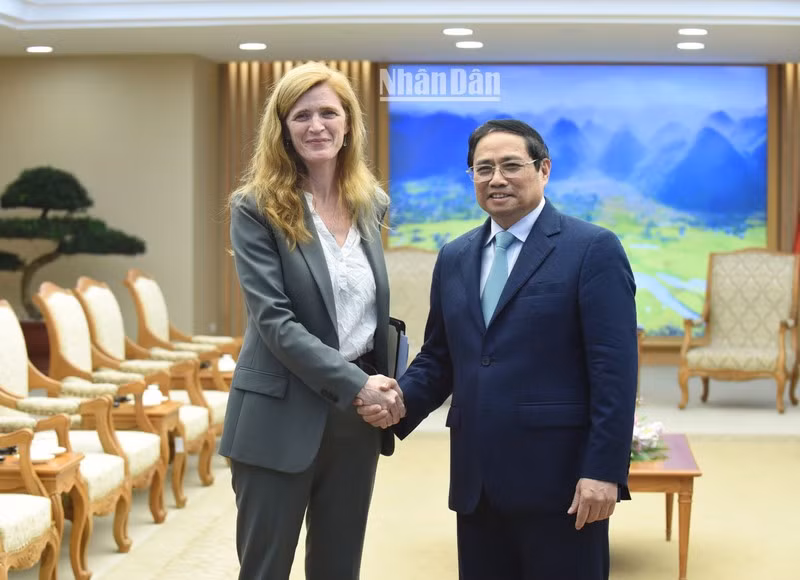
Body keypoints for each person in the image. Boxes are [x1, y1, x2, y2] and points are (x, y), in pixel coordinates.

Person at [359, 119, 638, 580]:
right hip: (477, 482)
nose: (497, 179)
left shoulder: (592, 249)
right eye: (483, 168)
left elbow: (615, 371)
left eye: (511, 165)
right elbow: (441, 356)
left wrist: (604, 471)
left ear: (544, 169)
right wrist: (397, 403)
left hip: (562, 484)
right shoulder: (455, 256)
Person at [220, 61, 405, 580]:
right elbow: (275, 323)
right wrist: (359, 384)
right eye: (301, 115)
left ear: (349, 124)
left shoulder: (371, 204)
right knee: (266, 569)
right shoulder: (255, 207)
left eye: (329, 112)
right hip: (278, 415)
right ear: (281, 128)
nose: (316, 125)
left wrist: (382, 385)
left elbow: (366, 313)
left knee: (339, 567)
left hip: (354, 419)